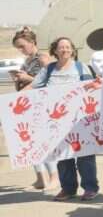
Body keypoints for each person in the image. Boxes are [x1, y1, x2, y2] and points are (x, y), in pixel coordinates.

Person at [32, 37, 99, 201]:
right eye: (61, 47)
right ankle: (68, 189)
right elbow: (34, 88)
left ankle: (90, 188)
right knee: (62, 156)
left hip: (80, 119)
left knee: (85, 154)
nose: (65, 50)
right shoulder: (48, 69)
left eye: (68, 47)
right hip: (56, 121)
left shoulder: (81, 67)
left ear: (72, 50)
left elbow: (92, 88)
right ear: (55, 50)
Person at [11, 27, 56, 189]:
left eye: (22, 46)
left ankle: (54, 176)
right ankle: (40, 178)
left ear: (32, 42)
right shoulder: (28, 60)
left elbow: (51, 81)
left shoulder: (43, 58)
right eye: (18, 48)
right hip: (27, 105)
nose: (21, 50)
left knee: (42, 142)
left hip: (40, 105)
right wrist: (19, 79)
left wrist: (27, 78)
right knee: (30, 142)